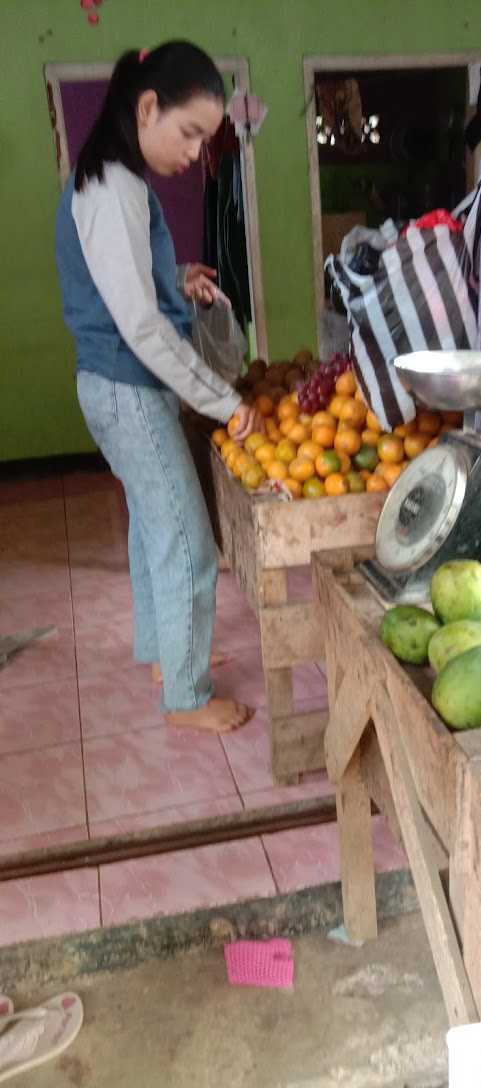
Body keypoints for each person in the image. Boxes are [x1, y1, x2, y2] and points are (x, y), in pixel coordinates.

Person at [55, 41, 263, 733]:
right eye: (190, 131)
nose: (196, 151)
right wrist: (225, 400)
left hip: (115, 386)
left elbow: (124, 291)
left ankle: (162, 651)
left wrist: (177, 279)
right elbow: (140, 327)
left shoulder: (111, 180)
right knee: (188, 542)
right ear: (147, 107)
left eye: (206, 138)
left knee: (152, 526)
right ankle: (187, 695)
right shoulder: (112, 186)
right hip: (129, 389)